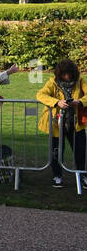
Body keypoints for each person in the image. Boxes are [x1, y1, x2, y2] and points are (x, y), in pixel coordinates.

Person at [35, 59, 86, 188]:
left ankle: (83, 176)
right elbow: (41, 94)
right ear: (59, 74)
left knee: (81, 151)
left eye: (69, 74)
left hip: (76, 124)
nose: (67, 76)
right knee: (56, 152)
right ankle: (57, 176)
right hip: (56, 124)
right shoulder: (52, 81)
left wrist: (79, 102)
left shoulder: (80, 81)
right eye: (64, 74)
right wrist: (57, 102)